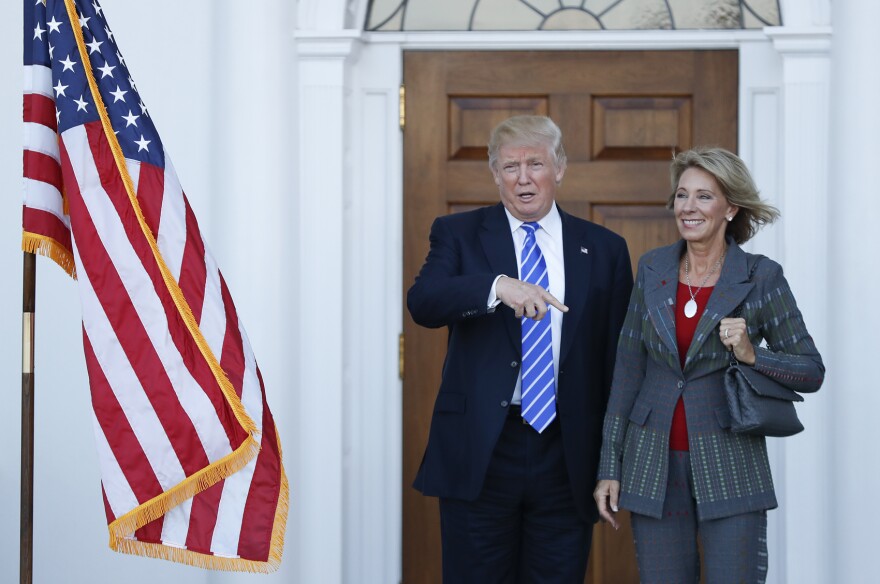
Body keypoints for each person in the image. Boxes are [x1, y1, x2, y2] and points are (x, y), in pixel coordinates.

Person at [407, 115, 633, 583]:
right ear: (494, 174)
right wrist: (495, 286)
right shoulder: (458, 233)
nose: (524, 177)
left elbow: (619, 362)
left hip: (567, 451)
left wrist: (613, 458)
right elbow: (424, 303)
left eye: (536, 163)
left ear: (560, 167)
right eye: (510, 166)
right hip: (483, 449)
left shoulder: (605, 248)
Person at [593, 147, 825, 583]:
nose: (688, 208)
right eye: (682, 196)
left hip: (731, 466)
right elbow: (627, 371)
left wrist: (753, 354)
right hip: (652, 465)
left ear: (730, 207)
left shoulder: (760, 276)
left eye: (704, 196)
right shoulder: (653, 268)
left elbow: (811, 370)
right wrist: (609, 465)